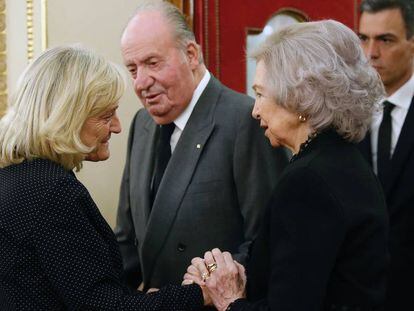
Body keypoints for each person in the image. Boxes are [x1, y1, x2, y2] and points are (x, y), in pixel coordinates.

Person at [184, 20, 389, 311]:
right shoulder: (344, 161)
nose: (255, 111)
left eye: (261, 94)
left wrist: (229, 300)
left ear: (300, 98)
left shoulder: (308, 181)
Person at [0, 45, 205, 310]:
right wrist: (199, 295)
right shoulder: (50, 191)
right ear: (67, 118)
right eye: (106, 115)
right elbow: (104, 306)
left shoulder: (15, 179)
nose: (118, 127)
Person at [115, 0, 287, 291]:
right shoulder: (141, 125)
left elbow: (266, 239)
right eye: (133, 69)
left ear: (191, 54)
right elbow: (127, 238)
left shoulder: (245, 120)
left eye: (152, 63)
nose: (141, 82)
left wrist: (198, 292)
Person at [358, 1, 414, 309]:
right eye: (363, 38)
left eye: (385, 40)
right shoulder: (349, 115)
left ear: (412, 43)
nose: (371, 53)